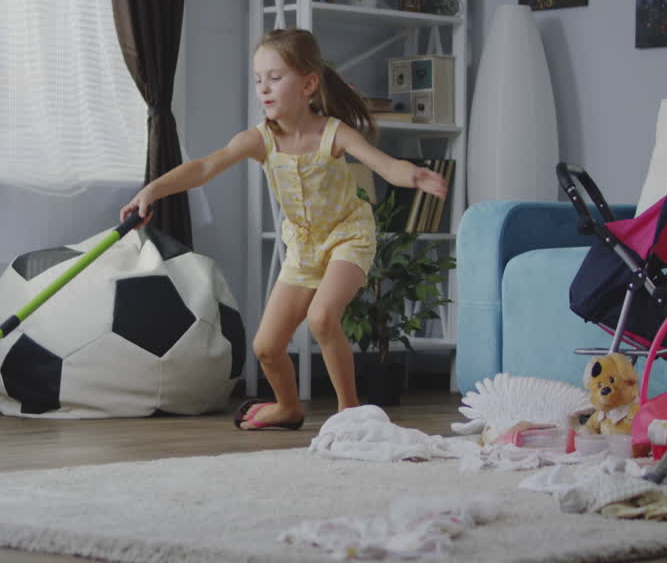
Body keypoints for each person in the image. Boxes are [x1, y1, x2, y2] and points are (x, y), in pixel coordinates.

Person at [120, 27, 448, 431]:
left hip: (348, 235)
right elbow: (205, 167)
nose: (264, 88)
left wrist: (413, 175)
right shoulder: (259, 141)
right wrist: (152, 190)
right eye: (259, 80)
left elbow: (384, 165)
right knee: (267, 347)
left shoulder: (333, 133)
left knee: (323, 317)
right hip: (304, 248)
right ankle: (288, 408)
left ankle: (351, 415)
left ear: (308, 83)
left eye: (275, 78)